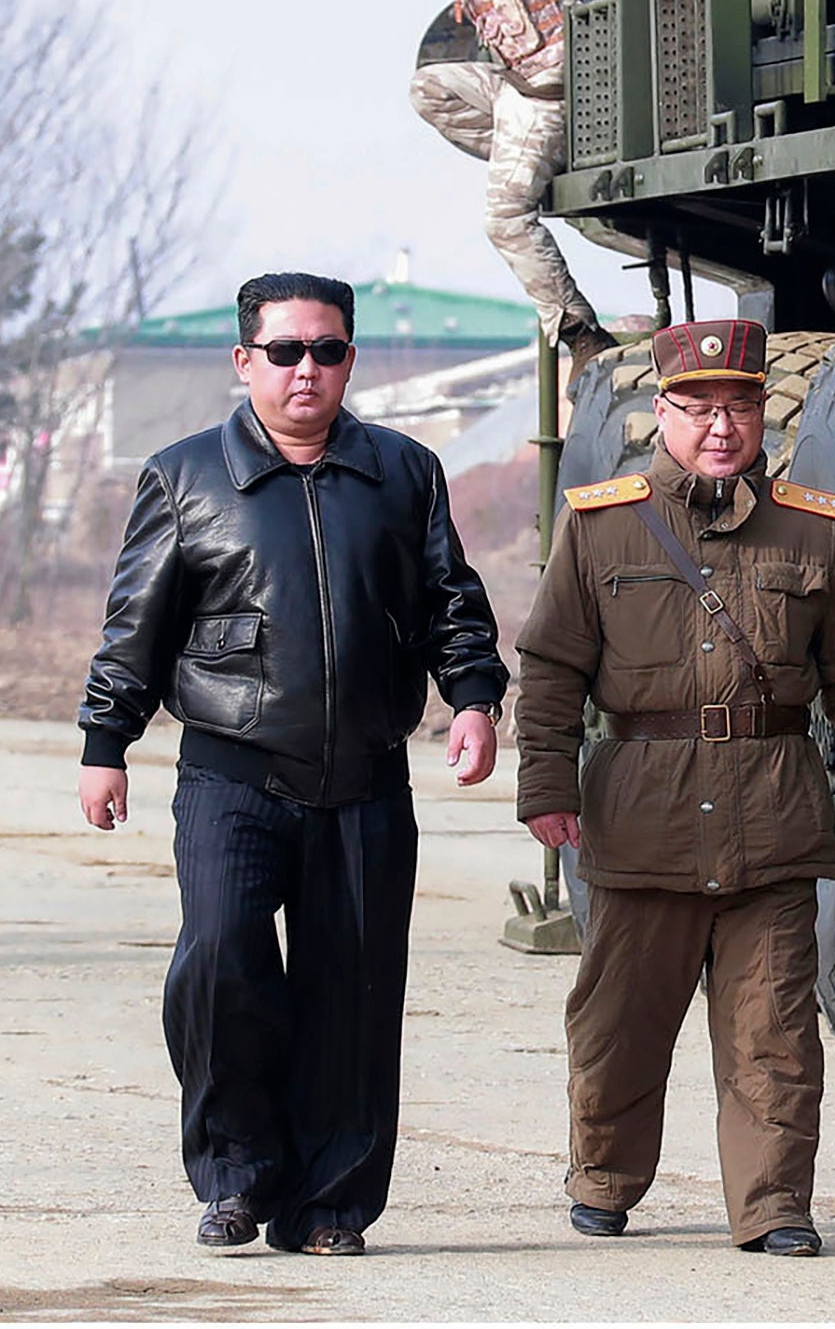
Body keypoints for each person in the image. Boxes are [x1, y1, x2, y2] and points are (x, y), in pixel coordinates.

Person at [78, 271, 507, 1257]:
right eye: (285, 351)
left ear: (350, 358)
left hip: (363, 780)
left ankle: (328, 1206)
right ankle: (236, 1178)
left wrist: (474, 697)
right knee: (221, 962)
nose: (306, 370)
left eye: (326, 350)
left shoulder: (403, 472)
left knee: (352, 997)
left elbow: (452, 601)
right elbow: (133, 627)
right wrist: (108, 742)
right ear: (245, 361)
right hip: (232, 773)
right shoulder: (184, 477)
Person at [513, 318, 835, 1255]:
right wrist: (546, 784)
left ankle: (774, 1206)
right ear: (662, 413)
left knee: (773, 1033)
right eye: (698, 408)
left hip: (770, 811)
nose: (720, 427)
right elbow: (549, 669)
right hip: (641, 814)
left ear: (760, 412)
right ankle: (606, 1178)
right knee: (619, 1021)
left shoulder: (813, 532)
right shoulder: (602, 522)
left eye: (737, 406)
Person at [411, 0, 643, 373]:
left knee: (506, 216)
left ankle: (579, 332)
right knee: (430, 88)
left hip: (560, 95)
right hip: (519, 87)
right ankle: (537, 163)